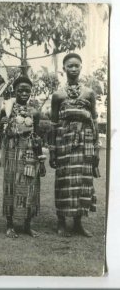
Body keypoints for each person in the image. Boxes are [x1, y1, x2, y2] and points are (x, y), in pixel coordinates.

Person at [48, 53, 100, 237]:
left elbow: (94, 119)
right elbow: (53, 124)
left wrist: (96, 147)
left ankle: (78, 222)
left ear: (81, 67)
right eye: (70, 66)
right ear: (64, 69)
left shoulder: (89, 93)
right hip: (64, 142)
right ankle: (61, 222)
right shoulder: (58, 95)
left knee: (82, 181)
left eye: (77, 65)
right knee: (64, 181)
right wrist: (52, 151)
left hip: (84, 142)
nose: (73, 69)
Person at [0, 75, 46, 238]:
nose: (24, 93)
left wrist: (41, 160)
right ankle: (10, 225)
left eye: (27, 90)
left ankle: (27, 225)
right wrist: (5, 126)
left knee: (30, 188)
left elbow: (38, 136)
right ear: (14, 91)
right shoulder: (7, 109)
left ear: (31, 92)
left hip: (30, 153)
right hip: (12, 153)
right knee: (11, 186)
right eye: (20, 90)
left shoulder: (34, 112)